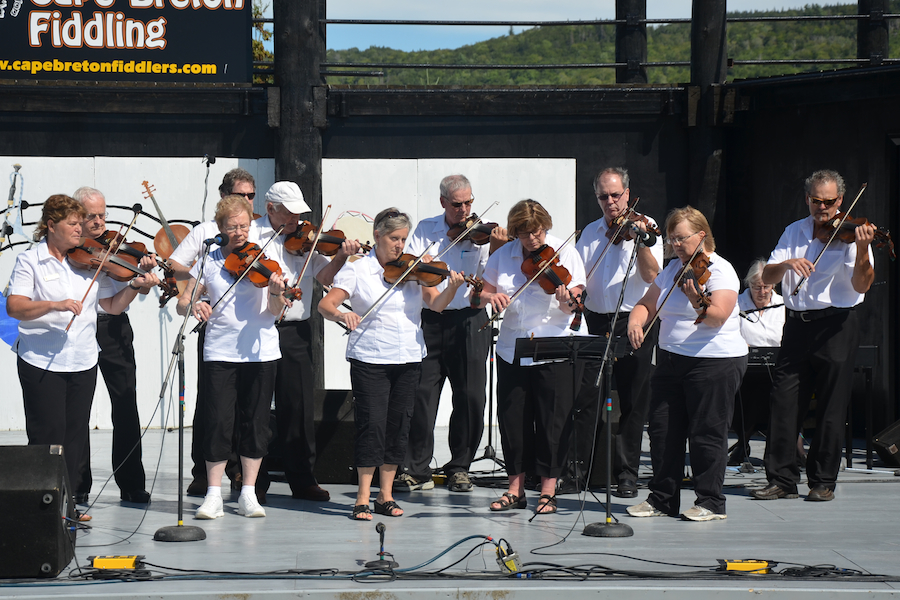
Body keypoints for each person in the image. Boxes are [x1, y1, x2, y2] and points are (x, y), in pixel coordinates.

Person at [7, 194, 159, 519]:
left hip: (83, 360)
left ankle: (67, 507)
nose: (81, 229)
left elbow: (111, 306)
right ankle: (42, 511)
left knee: (75, 437)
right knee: (48, 435)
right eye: (74, 223)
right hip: (42, 361)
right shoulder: (30, 260)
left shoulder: (87, 263)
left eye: (81, 223)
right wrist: (54, 305)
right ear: (51, 225)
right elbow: (15, 306)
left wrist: (135, 285)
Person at [318, 207, 465, 521]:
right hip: (370, 357)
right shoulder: (358, 270)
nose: (399, 245)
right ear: (378, 236)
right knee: (371, 426)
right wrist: (343, 314)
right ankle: (362, 497)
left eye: (403, 239)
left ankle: (385, 496)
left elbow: (436, 305)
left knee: (399, 426)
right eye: (394, 238)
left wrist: (452, 288)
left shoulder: (413, 270)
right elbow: (325, 304)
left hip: (409, 356)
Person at [751, 170, 875, 503]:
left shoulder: (851, 232)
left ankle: (822, 480)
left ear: (841, 200)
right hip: (797, 324)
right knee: (784, 401)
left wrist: (863, 248)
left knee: (831, 405)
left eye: (830, 202)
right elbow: (768, 275)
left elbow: (862, 284)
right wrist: (787, 264)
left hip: (836, 324)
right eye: (817, 201)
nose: (823, 208)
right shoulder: (794, 231)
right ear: (807, 199)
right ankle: (781, 479)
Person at [626, 206, 747, 522]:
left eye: (681, 238)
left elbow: (717, 317)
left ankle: (710, 502)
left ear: (701, 235)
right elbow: (646, 303)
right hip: (670, 359)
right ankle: (662, 498)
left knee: (707, 431)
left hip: (714, 361)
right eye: (671, 239)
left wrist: (696, 299)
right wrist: (636, 322)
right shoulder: (671, 270)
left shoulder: (721, 270)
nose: (675, 245)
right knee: (663, 430)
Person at [177, 194, 288, 519]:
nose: (239, 232)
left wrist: (277, 292)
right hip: (219, 351)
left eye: (244, 226)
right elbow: (183, 302)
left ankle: (248, 493)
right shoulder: (208, 260)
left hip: (260, 351)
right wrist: (195, 305)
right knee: (217, 421)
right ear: (220, 228)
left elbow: (275, 311)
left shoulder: (266, 258)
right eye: (232, 227)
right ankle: (213, 494)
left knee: (256, 422)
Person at [397, 174, 507, 494]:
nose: (464, 210)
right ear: (443, 202)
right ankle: (417, 469)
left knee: (471, 395)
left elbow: (494, 276)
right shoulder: (426, 229)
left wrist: (497, 246)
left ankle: (460, 467)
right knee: (421, 394)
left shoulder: (483, 233)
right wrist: (426, 262)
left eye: (469, 202)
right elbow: (414, 269)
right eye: (457, 204)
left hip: (470, 318)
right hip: (431, 319)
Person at [251, 181, 361, 502]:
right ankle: (253, 481)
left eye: (299, 214)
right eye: (290, 213)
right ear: (270, 209)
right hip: (258, 327)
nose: (297, 221)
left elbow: (326, 277)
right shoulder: (252, 235)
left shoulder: (306, 239)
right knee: (256, 405)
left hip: (295, 330)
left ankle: (302, 478)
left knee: (297, 405)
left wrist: (340, 257)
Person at [479, 199, 586, 516]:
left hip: (554, 343)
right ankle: (515, 489)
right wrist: (492, 296)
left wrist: (566, 300)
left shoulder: (565, 252)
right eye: (525, 234)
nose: (532, 239)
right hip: (513, 344)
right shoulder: (502, 255)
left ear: (545, 227)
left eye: (537, 232)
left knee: (552, 420)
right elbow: (482, 292)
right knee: (513, 419)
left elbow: (575, 302)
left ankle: (548, 491)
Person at [168, 168, 262, 500]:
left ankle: (244, 479)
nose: (247, 201)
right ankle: (205, 477)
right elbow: (177, 268)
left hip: (254, 341)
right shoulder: (207, 238)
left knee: (252, 413)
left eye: (251, 196)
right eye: (240, 195)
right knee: (215, 408)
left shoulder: (261, 236)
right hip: (218, 336)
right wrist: (199, 296)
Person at [571, 167, 662, 498]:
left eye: (615, 195)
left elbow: (652, 276)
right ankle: (582, 471)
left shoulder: (646, 226)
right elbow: (579, 274)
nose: (610, 202)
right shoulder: (591, 232)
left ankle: (627, 474)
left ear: (627, 194)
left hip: (633, 320)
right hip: (595, 321)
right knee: (588, 396)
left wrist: (640, 241)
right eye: (603, 196)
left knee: (632, 398)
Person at [71, 186, 157, 505]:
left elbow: (125, 297)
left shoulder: (116, 246)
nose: (99, 222)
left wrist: (140, 280)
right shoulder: (68, 250)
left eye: (102, 215)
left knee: (125, 403)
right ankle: (78, 483)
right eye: (91, 216)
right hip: (78, 329)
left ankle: (131, 482)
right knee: (77, 408)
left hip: (113, 328)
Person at [729, 259, 785, 465]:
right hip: (745, 365)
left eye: (766, 287)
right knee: (745, 392)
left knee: (783, 392)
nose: (762, 292)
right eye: (756, 287)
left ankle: (786, 447)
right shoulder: (736, 304)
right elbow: (728, 330)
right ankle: (742, 441)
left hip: (777, 365)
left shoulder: (783, 305)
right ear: (749, 285)